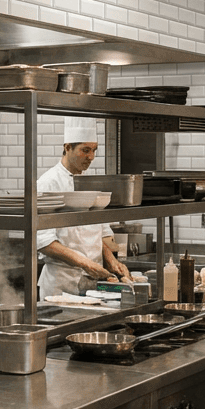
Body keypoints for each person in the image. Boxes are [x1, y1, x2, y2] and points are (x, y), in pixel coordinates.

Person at [36, 117, 130, 297]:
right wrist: (85, 263)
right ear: (67, 147)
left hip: (92, 282)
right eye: (85, 150)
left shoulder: (90, 181)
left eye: (94, 150)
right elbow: (43, 242)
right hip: (61, 285)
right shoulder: (48, 183)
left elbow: (98, 232)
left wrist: (111, 260)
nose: (91, 157)